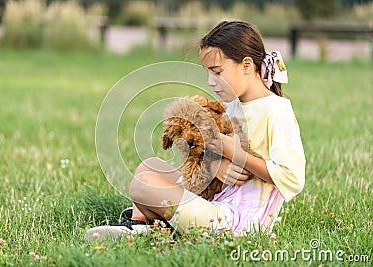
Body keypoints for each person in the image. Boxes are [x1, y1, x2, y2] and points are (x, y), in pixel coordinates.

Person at [85, 20, 305, 241]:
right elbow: (204, 153)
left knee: (143, 187)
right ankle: (140, 224)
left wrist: (234, 153)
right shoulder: (231, 106)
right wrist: (216, 165)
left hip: (234, 224)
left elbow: (292, 178)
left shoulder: (276, 110)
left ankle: (151, 224)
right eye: (207, 73)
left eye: (217, 72)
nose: (210, 82)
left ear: (246, 65)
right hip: (212, 204)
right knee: (148, 167)